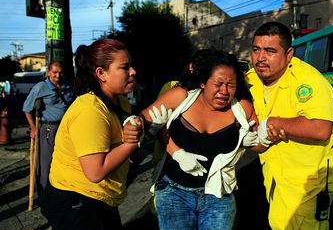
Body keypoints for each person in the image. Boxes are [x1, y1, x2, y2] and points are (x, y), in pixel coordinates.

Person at [139, 49, 263, 230]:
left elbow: (259, 145)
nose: (224, 91)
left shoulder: (242, 108)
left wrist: (262, 138)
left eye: (231, 85)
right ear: (203, 82)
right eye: (218, 84)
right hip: (174, 192)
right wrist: (141, 126)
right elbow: (142, 121)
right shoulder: (180, 96)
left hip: (219, 195)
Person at [245, 21, 333, 229]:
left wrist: (273, 123)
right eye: (256, 50)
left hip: (308, 185)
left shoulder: (308, 81)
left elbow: (321, 128)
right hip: (276, 178)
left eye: (270, 51)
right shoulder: (251, 79)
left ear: (289, 54)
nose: (261, 58)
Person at [39, 39, 144, 230]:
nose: (133, 71)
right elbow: (95, 171)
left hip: (99, 196)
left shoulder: (121, 103)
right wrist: (131, 143)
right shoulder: (90, 110)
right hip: (74, 200)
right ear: (101, 73)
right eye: (124, 67)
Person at [22, 60, 74, 192]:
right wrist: (33, 128)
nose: (58, 75)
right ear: (48, 72)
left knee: (64, 159)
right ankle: (43, 191)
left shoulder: (67, 86)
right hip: (48, 129)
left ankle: (62, 189)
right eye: (55, 72)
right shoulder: (40, 87)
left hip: (65, 128)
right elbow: (26, 109)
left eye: (60, 73)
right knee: (45, 162)